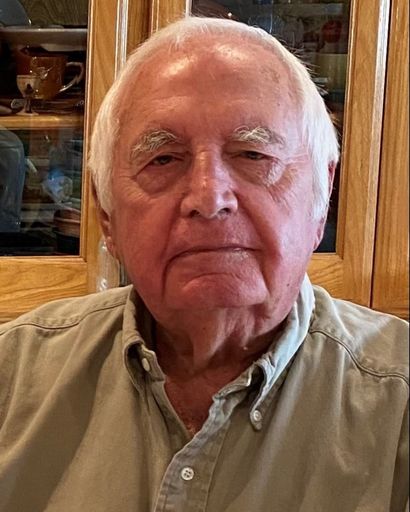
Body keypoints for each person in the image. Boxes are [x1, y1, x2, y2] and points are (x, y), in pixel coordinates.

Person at [0, 17, 408, 512]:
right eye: (163, 159)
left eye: (253, 155)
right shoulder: (12, 379)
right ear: (106, 214)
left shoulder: (398, 405)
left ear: (322, 197)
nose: (209, 198)